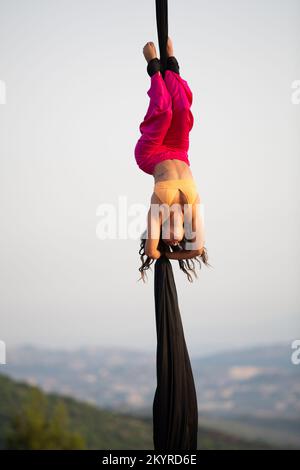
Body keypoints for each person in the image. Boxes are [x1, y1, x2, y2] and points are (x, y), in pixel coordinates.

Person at [134, 38, 208, 281]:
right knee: (182, 109)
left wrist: (164, 256)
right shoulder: (192, 212)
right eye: (177, 244)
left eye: (167, 242)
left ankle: (153, 65)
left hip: (151, 154)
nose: (173, 241)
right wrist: (179, 256)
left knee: (164, 111)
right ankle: (171, 62)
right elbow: (196, 249)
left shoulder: (158, 211)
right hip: (179, 150)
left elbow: (151, 252)